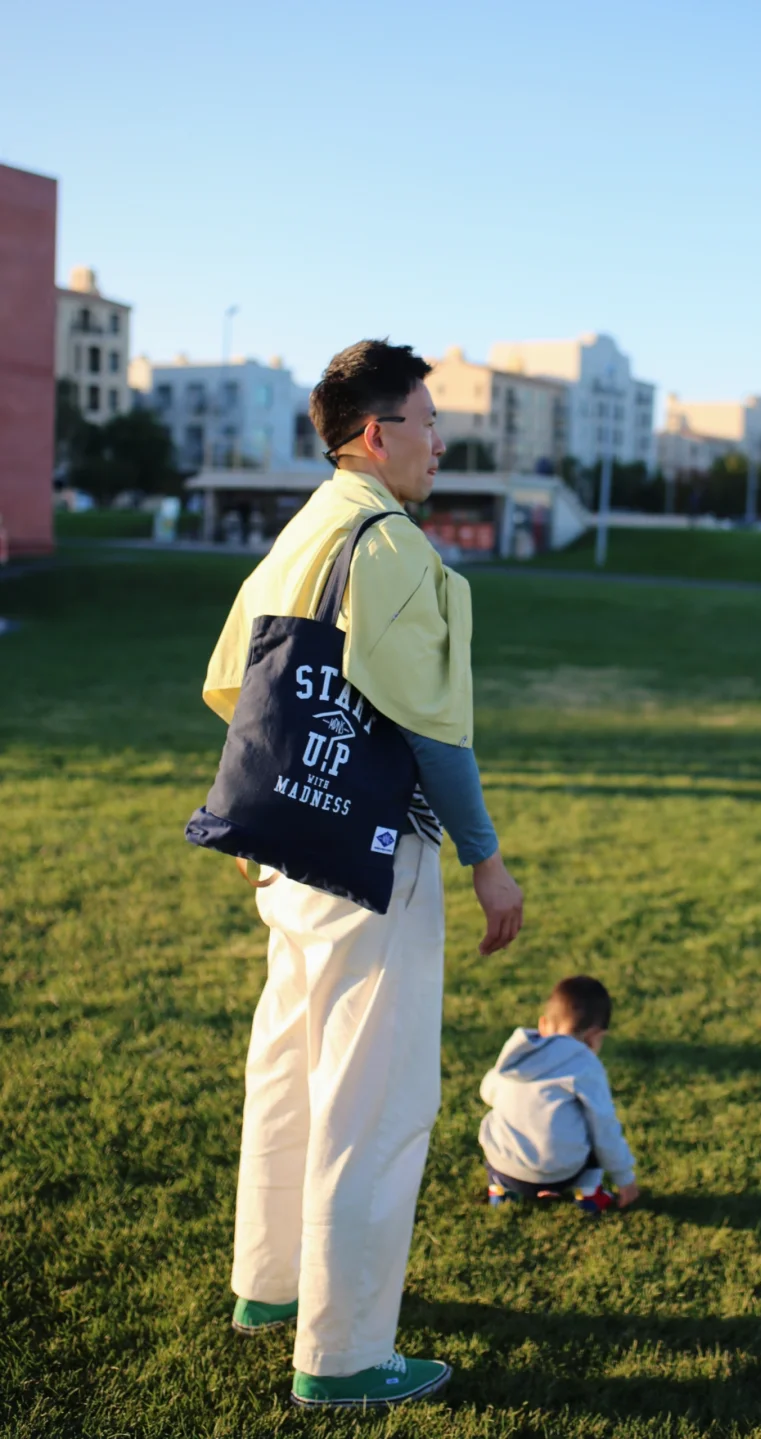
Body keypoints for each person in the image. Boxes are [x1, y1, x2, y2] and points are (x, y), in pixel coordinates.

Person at [200, 340, 524, 1411]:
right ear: (377, 433)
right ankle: (342, 1356)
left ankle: (270, 1284)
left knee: (290, 1066)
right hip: (373, 856)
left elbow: (230, 680)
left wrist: (270, 811)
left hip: (292, 850)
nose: (441, 438)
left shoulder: (306, 523)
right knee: (371, 1099)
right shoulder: (388, 543)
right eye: (428, 420)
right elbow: (435, 733)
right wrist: (487, 858)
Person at [479, 976, 638, 1215]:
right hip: (563, 1174)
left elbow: (487, 1092)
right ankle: (588, 1193)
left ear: (543, 1025)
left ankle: (502, 1192)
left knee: (495, 1121)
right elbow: (605, 1129)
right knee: (594, 1122)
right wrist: (625, 1178)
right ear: (595, 1037)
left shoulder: (517, 1056)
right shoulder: (585, 1065)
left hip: (508, 1169)